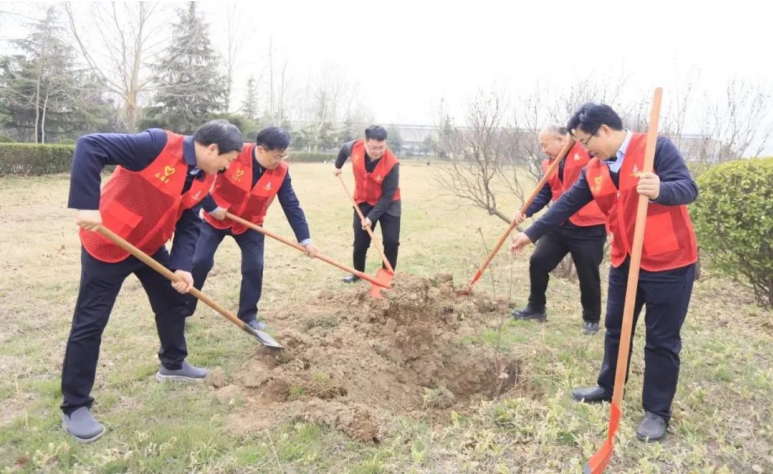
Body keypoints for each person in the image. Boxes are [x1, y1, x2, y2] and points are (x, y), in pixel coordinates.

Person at [511, 103, 698, 442]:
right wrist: (531, 234)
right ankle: (608, 387)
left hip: (668, 262)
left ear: (605, 131)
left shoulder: (656, 148)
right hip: (626, 259)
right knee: (615, 328)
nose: (585, 150)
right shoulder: (595, 169)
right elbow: (566, 204)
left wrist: (660, 189)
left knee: (661, 340)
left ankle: (656, 411)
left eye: (586, 142)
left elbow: (688, 188)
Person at [62, 120, 243, 442]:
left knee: (173, 301)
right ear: (212, 149)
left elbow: (189, 222)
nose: (227, 168)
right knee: (90, 322)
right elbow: (90, 145)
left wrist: (182, 266)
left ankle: (173, 363)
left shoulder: (205, 176)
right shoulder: (156, 145)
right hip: (109, 243)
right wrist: (87, 205)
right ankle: (75, 406)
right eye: (227, 160)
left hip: (149, 246)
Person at [186, 127, 318, 330]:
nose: (280, 161)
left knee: (254, 266)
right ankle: (183, 310)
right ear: (261, 149)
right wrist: (212, 207)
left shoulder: (281, 171)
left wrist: (305, 239)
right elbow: (200, 180)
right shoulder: (234, 155)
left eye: (284, 156)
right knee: (199, 261)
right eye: (277, 156)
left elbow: (291, 204)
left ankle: (248, 316)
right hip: (216, 219)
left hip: (250, 223)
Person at [510, 123, 607, 334]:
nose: (543, 149)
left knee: (588, 275)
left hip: (589, 227)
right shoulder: (549, 164)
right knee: (538, 261)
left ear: (561, 140)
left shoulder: (586, 152)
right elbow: (544, 193)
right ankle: (536, 308)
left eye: (545, 145)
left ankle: (591, 319)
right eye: (541, 145)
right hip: (559, 225)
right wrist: (525, 210)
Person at [333, 125, 401, 282]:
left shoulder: (392, 164)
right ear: (365, 142)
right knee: (360, 242)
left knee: (391, 242)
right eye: (373, 148)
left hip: (389, 203)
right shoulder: (355, 147)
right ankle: (358, 275)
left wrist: (371, 218)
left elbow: (388, 196)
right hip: (363, 200)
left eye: (381, 147)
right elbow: (343, 150)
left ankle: (385, 279)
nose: (377, 151)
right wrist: (337, 166)